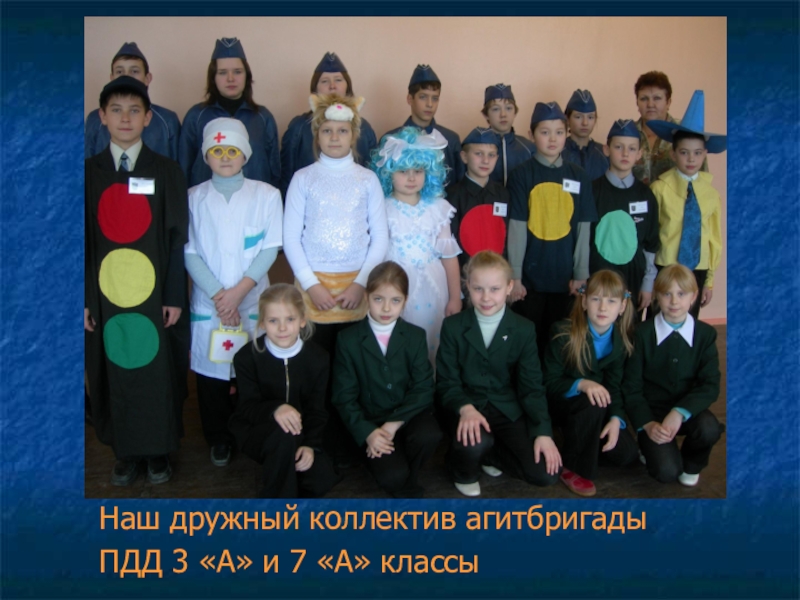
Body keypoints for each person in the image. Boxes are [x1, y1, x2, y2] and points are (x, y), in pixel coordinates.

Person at [85, 76, 188, 486]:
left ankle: (159, 449)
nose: (124, 118)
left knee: (155, 370)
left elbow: (177, 239)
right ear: (102, 117)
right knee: (115, 368)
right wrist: (83, 299)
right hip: (105, 296)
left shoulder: (166, 171)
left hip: (154, 296)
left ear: (148, 118)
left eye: (134, 110)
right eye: (116, 110)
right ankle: (125, 451)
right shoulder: (87, 173)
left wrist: (174, 295)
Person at [283, 93, 388, 463]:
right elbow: (290, 237)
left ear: (353, 134)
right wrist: (312, 285)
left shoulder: (367, 180)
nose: (334, 137)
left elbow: (380, 238)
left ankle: (354, 438)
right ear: (317, 134)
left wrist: (361, 283)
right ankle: (316, 440)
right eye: (326, 130)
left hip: (356, 289)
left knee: (353, 368)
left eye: (342, 131)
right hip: (314, 288)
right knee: (317, 366)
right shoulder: (303, 179)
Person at [185, 117, 283, 467]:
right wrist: (220, 296)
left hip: (251, 299)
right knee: (211, 376)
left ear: (245, 155)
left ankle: (252, 433)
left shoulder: (267, 196)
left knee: (251, 373)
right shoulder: (193, 198)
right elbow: (190, 252)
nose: (225, 157)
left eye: (232, 150)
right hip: (211, 304)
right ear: (206, 156)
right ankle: (219, 438)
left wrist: (238, 293)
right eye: (217, 151)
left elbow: (270, 248)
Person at [436, 251, 560, 497]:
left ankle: (490, 454)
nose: (486, 297)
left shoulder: (524, 329)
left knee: (545, 474)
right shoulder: (452, 326)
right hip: (466, 405)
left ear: (509, 287)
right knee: (476, 441)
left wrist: (543, 432)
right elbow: (447, 382)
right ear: (467, 286)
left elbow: (532, 387)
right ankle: (462, 470)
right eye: (478, 289)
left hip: (505, 407)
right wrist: (465, 408)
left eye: (494, 289)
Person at [332, 262, 442, 498]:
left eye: (395, 300)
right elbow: (343, 397)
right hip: (372, 421)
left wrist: (394, 423)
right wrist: (368, 432)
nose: (386, 308)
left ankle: (406, 474)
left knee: (430, 435)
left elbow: (423, 388)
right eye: (378, 299)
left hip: (408, 416)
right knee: (391, 478)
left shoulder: (415, 336)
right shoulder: (348, 340)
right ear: (366, 297)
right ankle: (391, 467)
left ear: (405, 300)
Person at [229, 285, 342, 498]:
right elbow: (247, 406)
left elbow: (317, 409)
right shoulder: (246, 357)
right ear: (262, 323)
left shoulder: (318, 358)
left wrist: (310, 445)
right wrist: (276, 409)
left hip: (301, 432)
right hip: (258, 430)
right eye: (273, 321)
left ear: (302, 320)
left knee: (322, 479)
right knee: (283, 437)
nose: (282, 328)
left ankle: (284, 474)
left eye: (290, 319)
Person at [507, 101, 598, 357]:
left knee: (561, 341)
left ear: (567, 134)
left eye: (559, 132)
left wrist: (581, 273)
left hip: (566, 277)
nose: (552, 139)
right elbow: (516, 227)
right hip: (530, 279)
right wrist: (515, 276)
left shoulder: (578, 176)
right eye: (544, 132)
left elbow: (583, 228)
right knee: (528, 342)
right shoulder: (521, 175)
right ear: (531, 134)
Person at [622, 264, 724, 486]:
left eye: (681, 294)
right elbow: (631, 387)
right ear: (657, 296)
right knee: (667, 472)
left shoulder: (705, 335)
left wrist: (679, 412)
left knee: (709, 428)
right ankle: (648, 448)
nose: (674, 301)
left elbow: (710, 384)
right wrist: (647, 423)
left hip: (688, 411)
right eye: (667, 294)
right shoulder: (641, 334)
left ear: (694, 297)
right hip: (653, 414)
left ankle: (692, 463)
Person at [542, 270, 639, 497]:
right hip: (563, 405)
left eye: (611, 301)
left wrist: (616, 419)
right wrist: (581, 384)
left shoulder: (621, 341)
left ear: (622, 306)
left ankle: (583, 440)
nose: (603, 308)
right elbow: (548, 383)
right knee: (591, 403)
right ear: (584, 301)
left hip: (598, 408)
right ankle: (573, 466)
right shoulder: (563, 333)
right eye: (596, 299)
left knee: (626, 454)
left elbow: (614, 387)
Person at [371, 126, 462, 363]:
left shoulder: (438, 208)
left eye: (418, 171)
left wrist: (455, 296)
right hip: (394, 287)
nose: (411, 178)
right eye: (403, 171)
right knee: (398, 344)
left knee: (433, 341)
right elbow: (375, 256)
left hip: (434, 288)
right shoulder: (382, 208)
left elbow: (449, 257)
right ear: (388, 173)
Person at [646, 90, 726, 320]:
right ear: (673, 154)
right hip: (666, 266)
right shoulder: (660, 189)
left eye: (697, 153)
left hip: (697, 269)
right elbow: (650, 234)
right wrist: (648, 277)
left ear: (705, 155)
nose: (691, 159)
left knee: (688, 323)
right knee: (658, 321)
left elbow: (714, 238)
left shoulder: (711, 194)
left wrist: (708, 281)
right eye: (684, 152)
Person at [179, 37, 280, 189]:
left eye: (237, 72)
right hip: (205, 201)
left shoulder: (263, 117)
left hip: (254, 200)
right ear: (213, 77)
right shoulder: (196, 116)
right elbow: (183, 168)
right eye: (222, 72)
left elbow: (275, 170)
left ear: (247, 76)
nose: (230, 79)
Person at [279, 52, 379, 198]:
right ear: (315, 89)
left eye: (338, 80)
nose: (332, 86)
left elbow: (372, 174)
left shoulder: (364, 128)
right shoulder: (298, 127)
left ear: (347, 87)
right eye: (324, 81)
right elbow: (286, 177)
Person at [590, 119, 660, 317]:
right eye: (618, 147)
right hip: (597, 281)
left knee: (629, 329)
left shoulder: (646, 195)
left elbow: (651, 245)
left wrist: (648, 284)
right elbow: (582, 239)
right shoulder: (592, 191)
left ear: (639, 154)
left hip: (633, 281)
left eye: (632, 148)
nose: (625, 153)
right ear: (606, 149)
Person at [85, 42, 181, 161]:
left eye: (134, 71)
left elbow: (177, 166)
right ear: (112, 78)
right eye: (119, 72)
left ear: (147, 78)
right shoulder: (95, 119)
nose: (126, 77)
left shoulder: (167, 120)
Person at [445, 127, 510, 304]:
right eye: (478, 154)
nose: (485, 160)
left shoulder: (503, 194)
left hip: (498, 279)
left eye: (491, 155)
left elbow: (507, 236)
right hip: (466, 280)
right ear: (464, 157)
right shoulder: (452, 196)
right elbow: (450, 244)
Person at [382, 64, 464, 185]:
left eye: (435, 98)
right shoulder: (392, 139)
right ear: (410, 99)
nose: (430, 104)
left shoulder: (450, 140)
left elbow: (459, 184)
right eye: (423, 97)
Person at [631, 71, 708, 185]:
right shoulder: (627, 134)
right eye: (644, 99)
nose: (650, 104)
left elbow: (701, 178)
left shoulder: (685, 132)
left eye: (657, 98)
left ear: (668, 102)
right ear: (637, 102)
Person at [480, 84, 535, 186]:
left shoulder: (528, 148)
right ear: (486, 114)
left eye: (509, 108)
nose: (503, 115)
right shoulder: (476, 147)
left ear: (515, 112)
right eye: (496, 109)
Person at [562, 89, 608, 182]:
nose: (585, 123)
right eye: (578, 117)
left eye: (590, 117)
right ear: (567, 119)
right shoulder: (558, 152)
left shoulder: (604, 155)